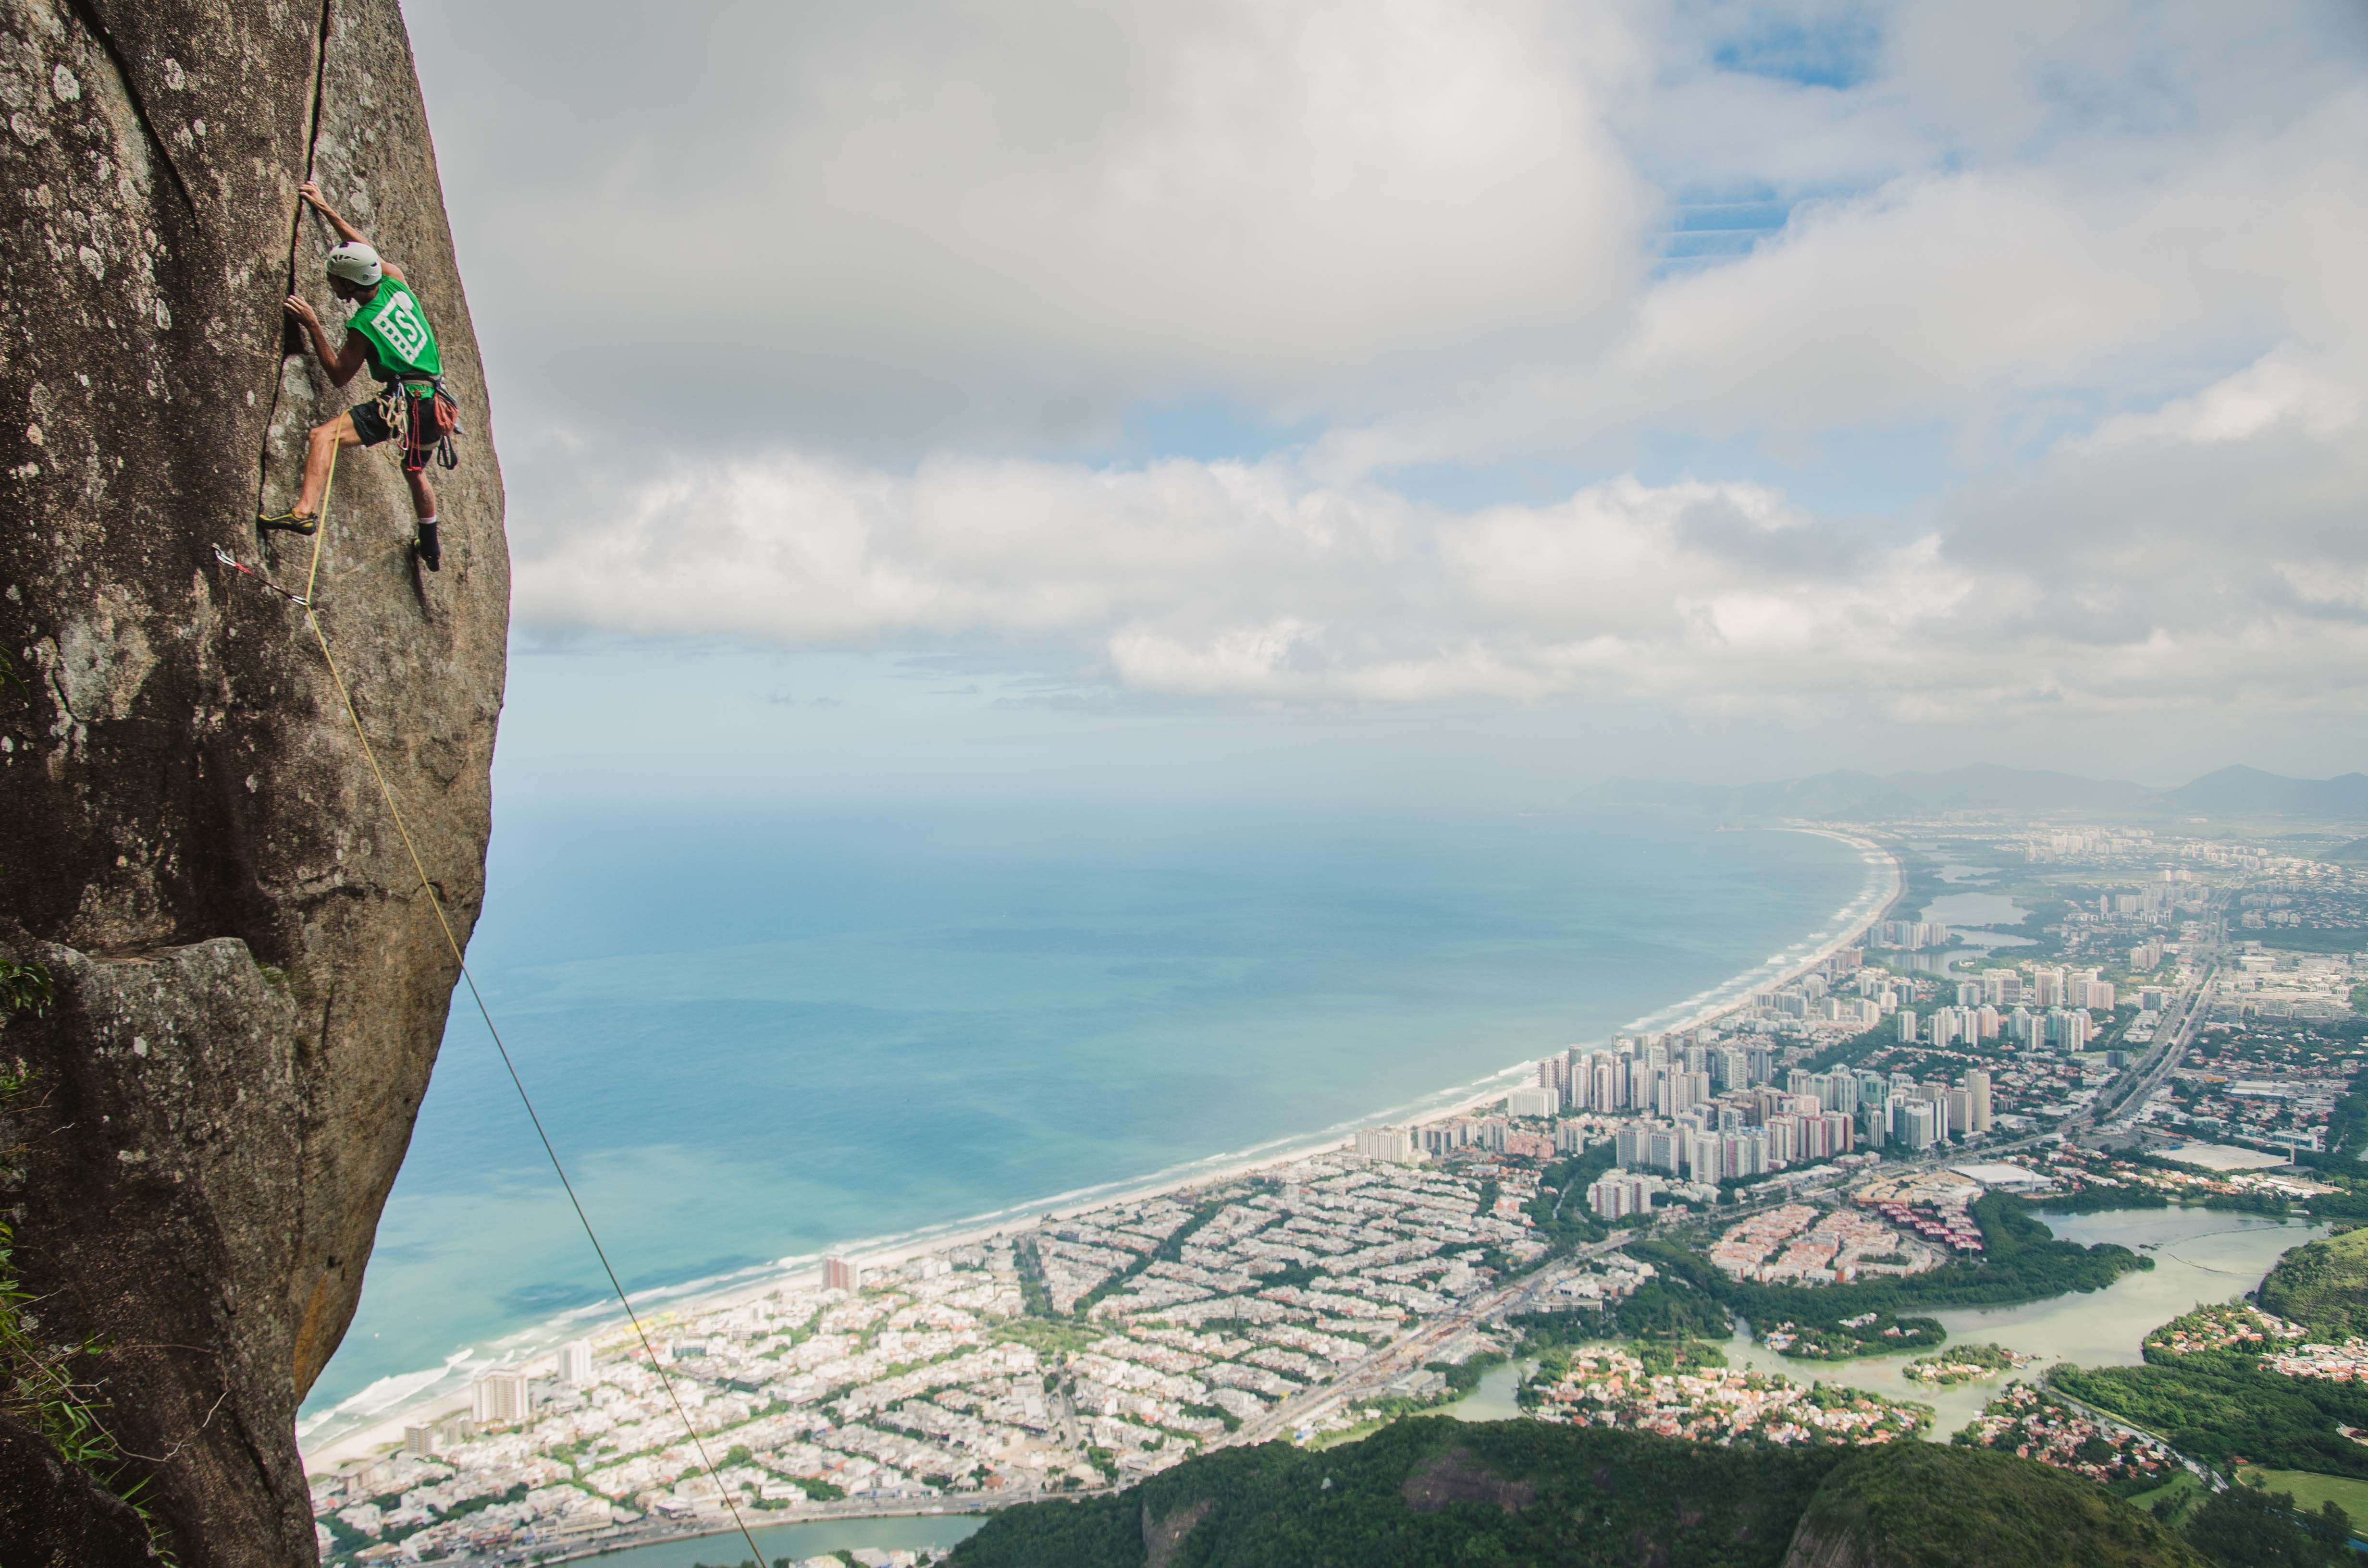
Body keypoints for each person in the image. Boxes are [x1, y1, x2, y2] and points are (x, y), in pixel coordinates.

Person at [259, 180, 451, 571]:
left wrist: (313, 324)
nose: (331, 284)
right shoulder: (395, 282)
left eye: (335, 280)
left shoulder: (363, 324)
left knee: (322, 436)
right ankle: (430, 545)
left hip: (407, 405)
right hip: (437, 405)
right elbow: (369, 255)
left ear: (348, 285)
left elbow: (338, 375)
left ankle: (304, 511)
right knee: (414, 471)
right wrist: (327, 211)